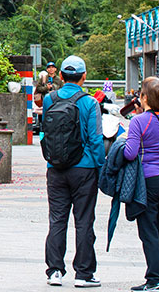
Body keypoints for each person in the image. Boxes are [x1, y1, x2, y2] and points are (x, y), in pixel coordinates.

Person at [42, 55, 105, 288]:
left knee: (57, 219)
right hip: (84, 169)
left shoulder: (50, 99)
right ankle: (84, 273)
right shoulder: (90, 103)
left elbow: (45, 132)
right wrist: (100, 167)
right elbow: (96, 139)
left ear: (60, 76)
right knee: (84, 221)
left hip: (55, 168)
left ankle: (54, 271)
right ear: (84, 76)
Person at [123, 77, 159, 292]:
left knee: (148, 230)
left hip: (148, 180)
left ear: (144, 97)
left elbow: (130, 153)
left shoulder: (138, 121)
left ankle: (153, 280)